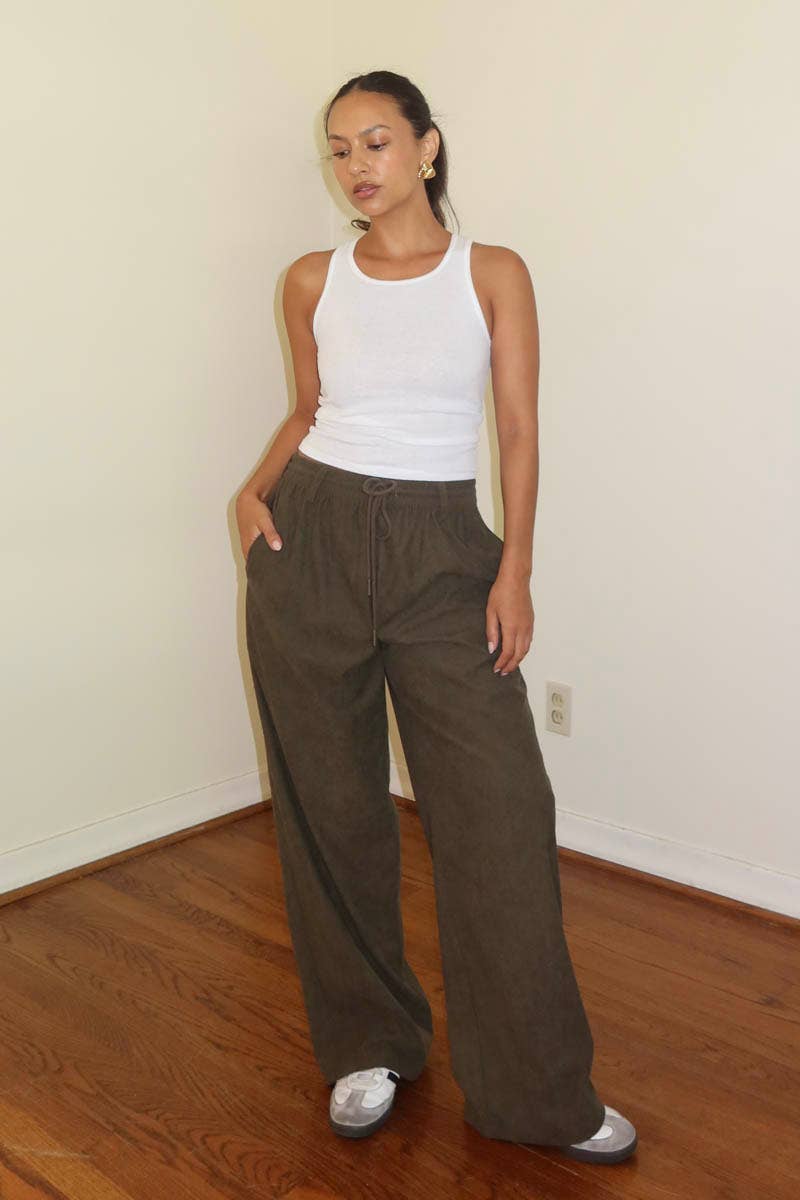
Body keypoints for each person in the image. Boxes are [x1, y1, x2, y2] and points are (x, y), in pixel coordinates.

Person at [236, 70, 637, 1165]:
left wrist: (512, 572)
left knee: (500, 818)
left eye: (376, 141)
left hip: (441, 554)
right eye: (339, 150)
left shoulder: (490, 272)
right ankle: (368, 1041)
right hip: (308, 538)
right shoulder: (311, 279)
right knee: (330, 806)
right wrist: (251, 489)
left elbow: (515, 432)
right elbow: (309, 408)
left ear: (425, 147)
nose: (357, 166)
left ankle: (535, 1092)